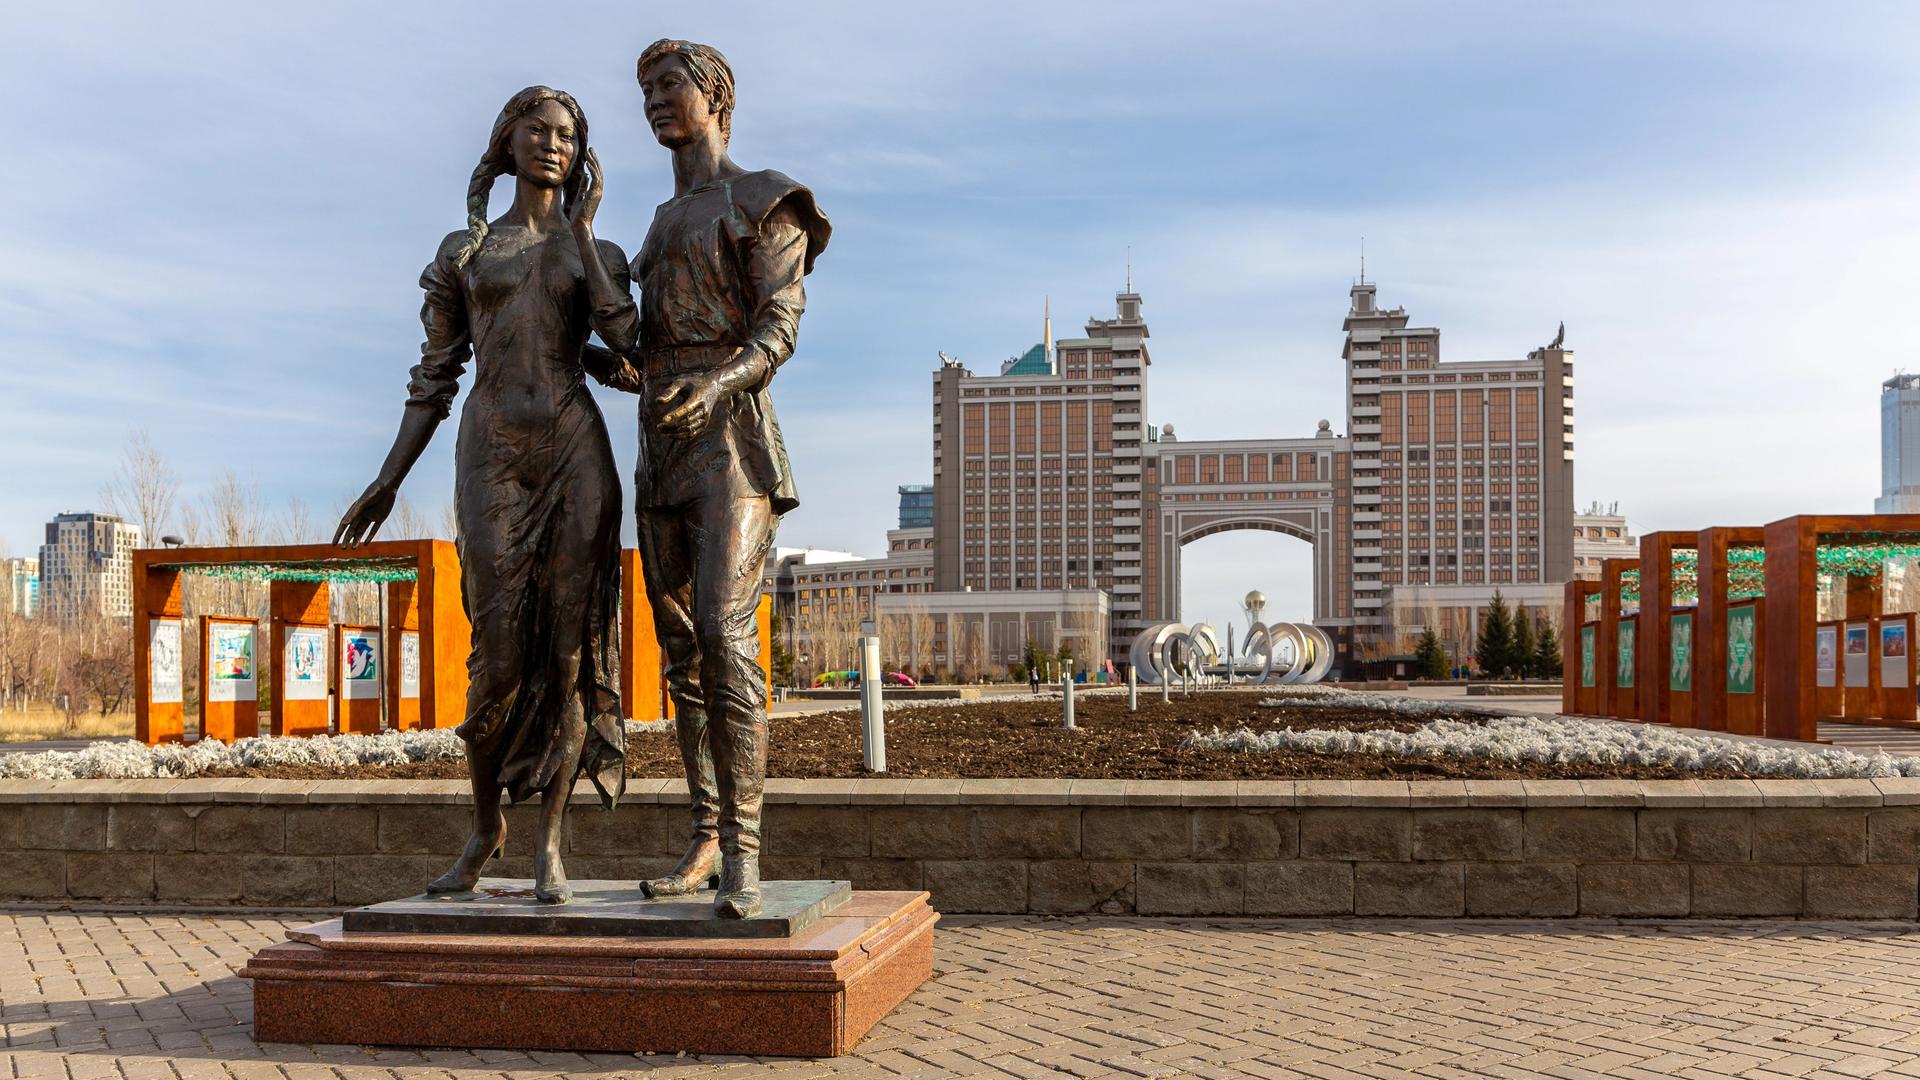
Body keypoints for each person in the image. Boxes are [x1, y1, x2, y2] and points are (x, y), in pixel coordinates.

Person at [336, 87, 626, 905]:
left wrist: (585, 232)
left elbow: (626, 342)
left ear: (581, 155)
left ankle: (551, 845)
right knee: (496, 658)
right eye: (538, 129)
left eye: (567, 135)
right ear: (507, 140)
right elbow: (434, 377)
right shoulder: (466, 250)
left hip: (576, 456)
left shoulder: (593, 249)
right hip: (492, 455)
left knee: (567, 657)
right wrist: (388, 479)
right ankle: (486, 824)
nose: (553, 143)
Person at [573, 40, 830, 920]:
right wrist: (582, 348)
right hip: (663, 451)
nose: (653, 99)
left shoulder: (765, 199)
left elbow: (778, 328)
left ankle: (748, 851)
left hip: (733, 444)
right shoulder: (656, 225)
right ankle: (707, 837)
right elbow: (643, 352)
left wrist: (715, 383)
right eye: (643, 88)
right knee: (682, 653)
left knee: (725, 634)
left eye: (669, 84)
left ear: (716, 95)